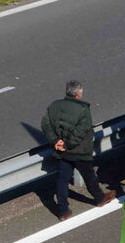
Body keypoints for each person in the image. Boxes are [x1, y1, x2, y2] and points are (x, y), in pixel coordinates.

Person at [42, 81, 116, 221]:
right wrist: (68, 144)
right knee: (89, 176)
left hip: (63, 152)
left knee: (62, 179)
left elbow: (45, 124)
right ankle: (100, 198)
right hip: (79, 151)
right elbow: (81, 131)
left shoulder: (54, 106)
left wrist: (56, 141)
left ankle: (63, 211)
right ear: (79, 93)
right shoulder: (83, 109)